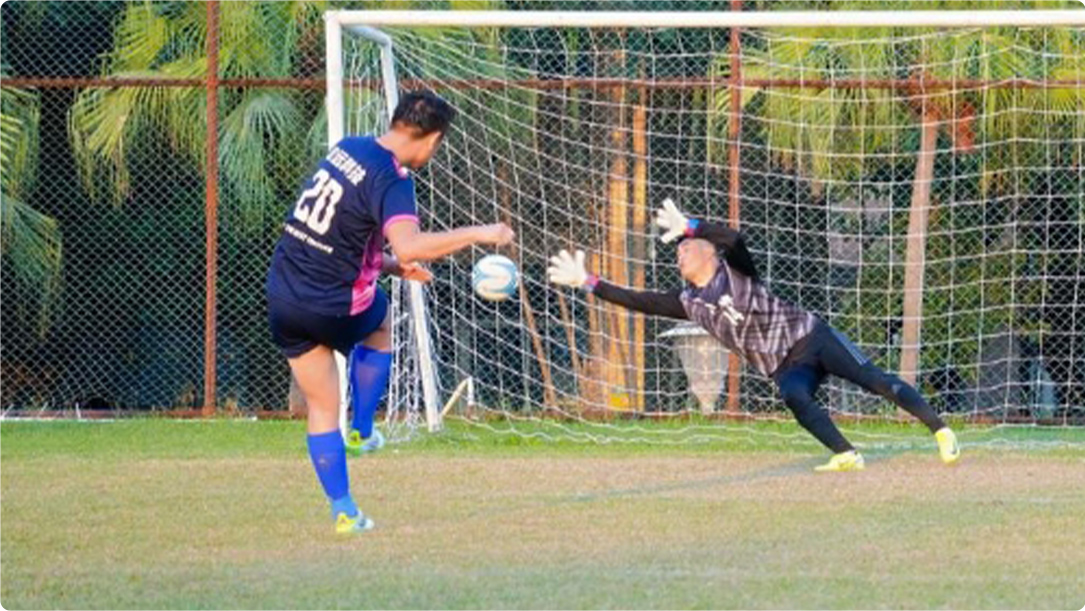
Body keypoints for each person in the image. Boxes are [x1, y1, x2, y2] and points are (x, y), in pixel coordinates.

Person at [547, 199, 959, 471]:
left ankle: (940, 430)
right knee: (794, 396)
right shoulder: (687, 301)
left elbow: (735, 239)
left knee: (874, 380)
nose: (680, 253)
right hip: (785, 366)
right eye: (677, 251)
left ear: (709, 252)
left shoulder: (736, 270)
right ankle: (847, 454)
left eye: (687, 247)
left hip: (811, 337)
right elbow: (638, 301)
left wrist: (691, 226)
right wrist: (588, 281)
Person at [267, 92, 514, 533]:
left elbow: (333, 236)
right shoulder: (394, 179)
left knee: (322, 406)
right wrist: (481, 232)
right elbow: (410, 245)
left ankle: (345, 511)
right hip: (330, 304)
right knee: (379, 316)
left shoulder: (348, 149)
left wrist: (395, 267)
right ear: (432, 139)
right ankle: (362, 430)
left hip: (283, 297)